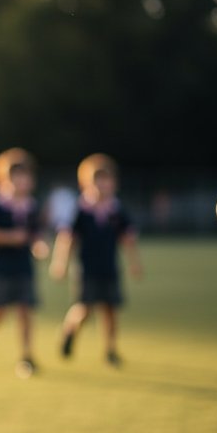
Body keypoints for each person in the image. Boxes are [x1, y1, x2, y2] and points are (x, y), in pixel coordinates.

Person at [50, 153, 143, 367]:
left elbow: (127, 239)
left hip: (109, 267)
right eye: (97, 180)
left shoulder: (117, 210)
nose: (102, 185)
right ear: (86, 183)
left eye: (107, 180)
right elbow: (67, 238)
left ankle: (110, 349)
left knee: (110, 310)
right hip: (86, 269)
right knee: (84, 309)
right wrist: (60, 263)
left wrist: (135, 263)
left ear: (114, 183)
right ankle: (69, 331)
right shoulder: (80, 210)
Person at [0, 148, 49, 378]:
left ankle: (27, 357)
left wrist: (39, 246)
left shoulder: (32, 206)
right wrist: (10, 237)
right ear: (4, 178)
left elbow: (36, 235)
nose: (23, 181)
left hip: (24, 267)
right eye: (17, 176)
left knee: (26, 311)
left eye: (26, 176)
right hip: (1, 268)